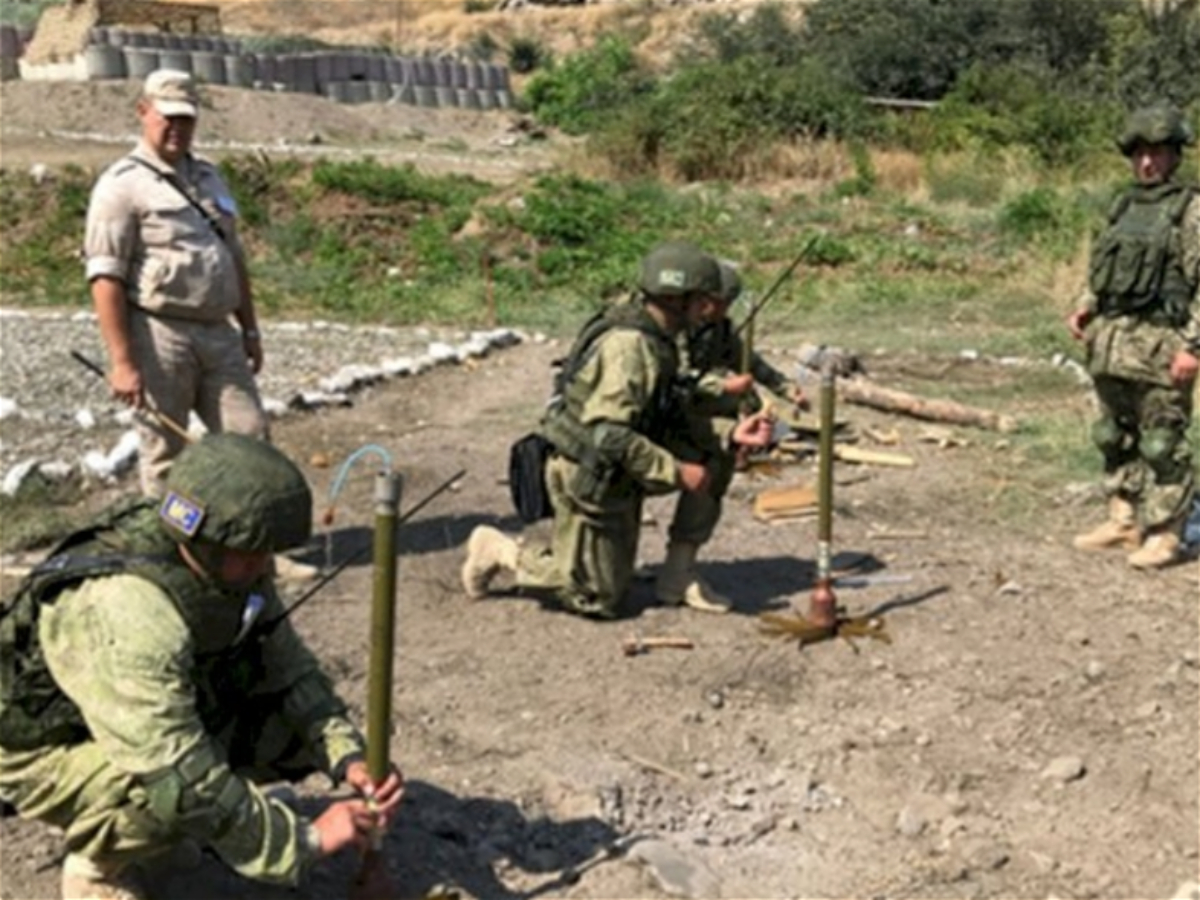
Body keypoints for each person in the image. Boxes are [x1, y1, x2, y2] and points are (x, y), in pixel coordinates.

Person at [0, 434, 404, 900]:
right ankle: (98, 869)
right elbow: (175, 769)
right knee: (159, 796)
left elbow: (290, 670)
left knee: (285, 729)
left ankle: (173, 838)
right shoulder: (127, 609)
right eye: (253, 551)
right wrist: (305, 841)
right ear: (205, 540)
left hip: (134, 723)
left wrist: (346, 755)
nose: (265, 563)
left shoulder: (226, 567)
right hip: (44, 750)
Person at [461, 241, 774, 619]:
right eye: (703, 299)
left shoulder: (659, 332)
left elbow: (670, 399)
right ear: (679, 299)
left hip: (621, 462)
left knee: (713, 456)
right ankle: (500, 551)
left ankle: (677, 575)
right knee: (598, 597)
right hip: (589, 470)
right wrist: (677, 471)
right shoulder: (629, 348)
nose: (710, 309)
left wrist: (730, 434)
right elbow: (608, 435)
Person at [84, 68, 268, 498]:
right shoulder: (120, 186)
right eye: (167, 117)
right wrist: (123, 362)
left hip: (219, 332)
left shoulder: (209, 177)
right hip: (159, 334)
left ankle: (253, 559)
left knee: (251, 440)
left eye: (186, 119)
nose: (176, 128)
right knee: (165, 452)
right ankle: (172, 557)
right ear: (143, 112)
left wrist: (251, 329)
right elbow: (105, 277)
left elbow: (232, 255)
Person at [1066, 102, 1200, 569]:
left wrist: (1193, 346)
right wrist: (1085, 307)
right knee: (1112, 434)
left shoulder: (1190, 209)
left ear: (1175, 155)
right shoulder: (1123, 204)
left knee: (1162, 443)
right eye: (1140, 153)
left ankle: (1167, 533)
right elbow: (1102, 269)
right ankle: (1123, 519)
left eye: (1158, 153)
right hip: (1113, 341)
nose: (1148, 162)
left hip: (1163, 345)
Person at [660, 258, 810, 612]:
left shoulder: (720, 330)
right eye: (718, 301)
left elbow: (751, 362)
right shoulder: (675, 327)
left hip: (697, 421)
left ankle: (678, 570)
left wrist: (788, 389)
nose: (720, 310)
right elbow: (678, 377)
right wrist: (722, 385)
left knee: (713, 473)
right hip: (663, 420)